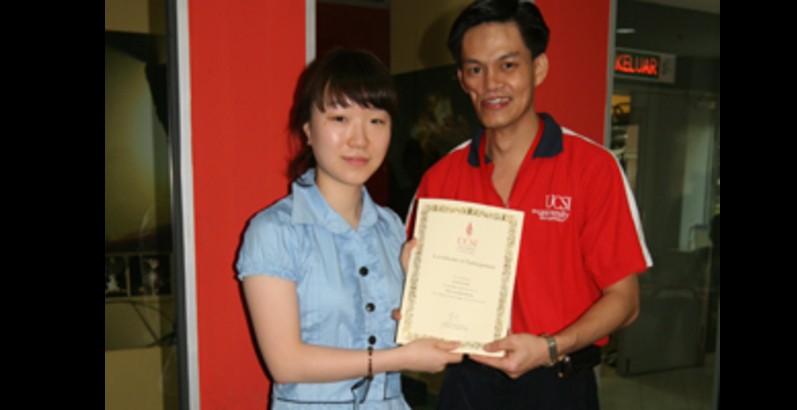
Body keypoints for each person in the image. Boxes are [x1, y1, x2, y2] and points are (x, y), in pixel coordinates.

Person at [405, 1, 653, 409]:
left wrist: (548, 347)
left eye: (507, 65)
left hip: (559, 381)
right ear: (462, 80)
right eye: (475, 69)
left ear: (538, 68)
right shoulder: (440, 178)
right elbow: (420, 294)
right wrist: (413, 285)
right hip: (467, 386)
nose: (490, 85)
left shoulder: (593, 168)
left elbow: (625, 302)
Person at [236, 48, 462, 410]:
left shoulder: (391, 228)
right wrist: (398, 359)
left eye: (376, 121)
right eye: (340, 119)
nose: (360, 139)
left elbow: (409, 338)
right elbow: (286, 363)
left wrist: (423, 292)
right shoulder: (274, 232)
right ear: (308, 130)